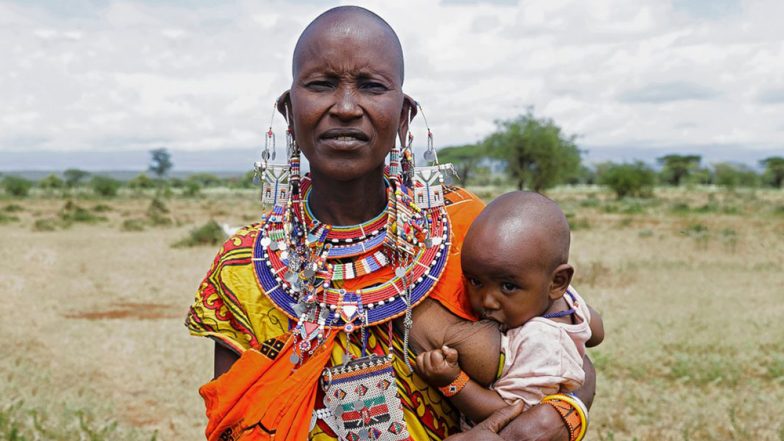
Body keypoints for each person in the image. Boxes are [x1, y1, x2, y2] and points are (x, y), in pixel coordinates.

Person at [185, 6, 596, 441]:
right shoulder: (245, 266)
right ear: (289, 113)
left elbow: (566, 347)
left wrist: (563, 417)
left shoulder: (466, 226)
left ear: (403, 117)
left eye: (371, 86)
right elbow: (233, 423)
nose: (345, 107)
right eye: (321, 84)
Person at [413, 192, 604, 437]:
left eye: (508, 286)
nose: (487, 301)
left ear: (558, 281)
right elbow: (596, 332)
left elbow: (511, 413)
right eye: (474, 281)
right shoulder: (568, 299)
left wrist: (452, 381)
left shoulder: (540, 343)